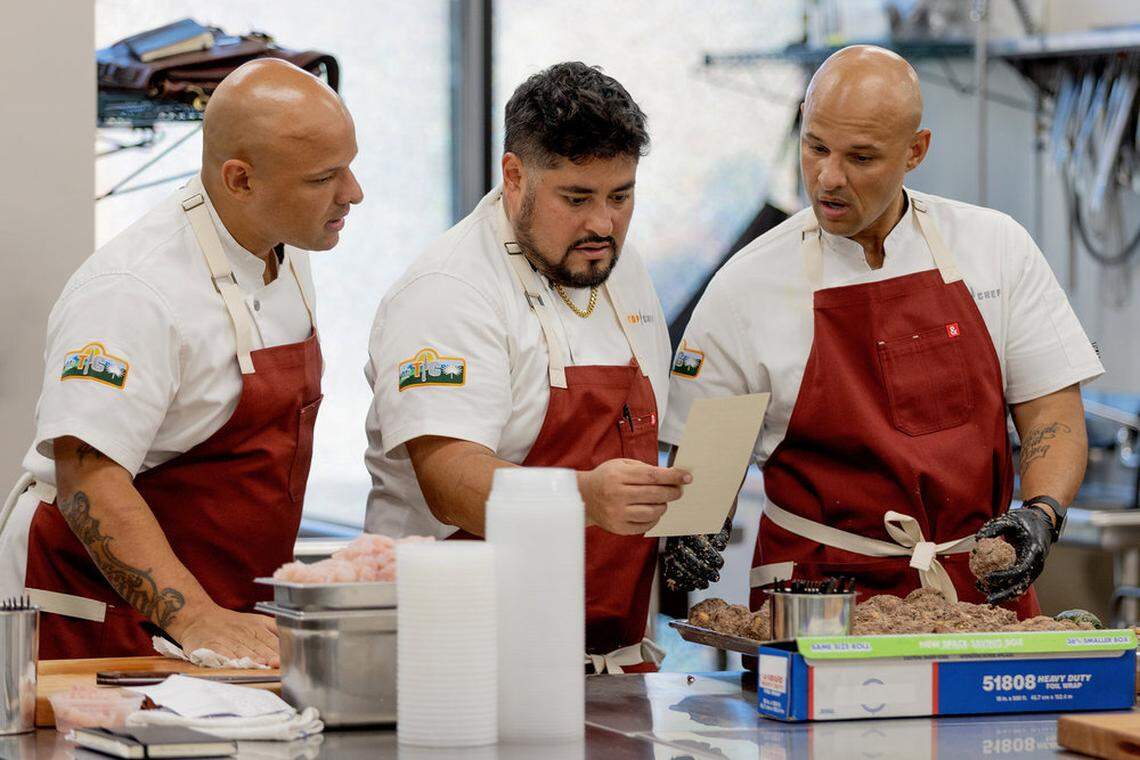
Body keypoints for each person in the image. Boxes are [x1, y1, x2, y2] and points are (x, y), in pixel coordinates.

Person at [660, 46, 1102, 617]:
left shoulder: (995, 249)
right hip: (816, 608)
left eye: (861, 158)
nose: (828, 177)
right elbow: (706, 464)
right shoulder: (746, 288)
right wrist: (694, 525)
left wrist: (1040, 513)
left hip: (978, 601)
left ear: (915, 151)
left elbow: (1052, 414)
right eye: (815, 146)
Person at [0, 59, 363, 662]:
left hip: (217, 608)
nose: (353, 192)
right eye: (324, 177)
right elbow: (87, 477)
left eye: (349, 165)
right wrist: (195, 619)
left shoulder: (285, 247)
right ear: (240, 179)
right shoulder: (133, 291)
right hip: (97, 614)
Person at [364, 62, 688, 673]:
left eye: (621, 197)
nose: (603, 224)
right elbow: (450, 482)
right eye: (577, 199)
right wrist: (582, 498)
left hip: (611, 662)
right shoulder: (451, 290)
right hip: (464, 661)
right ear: (514, 176)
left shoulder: (620, 266)